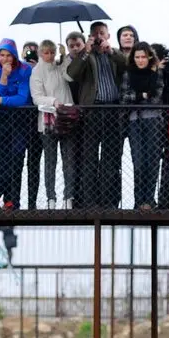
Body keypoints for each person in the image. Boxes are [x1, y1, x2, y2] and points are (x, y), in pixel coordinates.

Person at [66, 22, 127, 208]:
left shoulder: (113, 53)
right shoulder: (86, 55)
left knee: (111, 159)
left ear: (108, 35)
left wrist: (111, 51)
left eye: (102, 33)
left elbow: (127, 66)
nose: (99, 37)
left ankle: (108, 201)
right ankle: (89, 201)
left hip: (112, 111)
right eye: (95, 34)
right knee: (89, 158)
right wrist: (86, 50)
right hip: (92, 111)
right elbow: (71, 74)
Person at [0, 38, 32, 210]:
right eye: (2, 55)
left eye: (9, 55)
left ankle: (6, 197)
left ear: (15, 56)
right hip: (0, 119)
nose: (5, 59)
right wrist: (4, 77)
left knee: (17, 159)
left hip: (19, 119)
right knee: (2, 160)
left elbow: (22, 98)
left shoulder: (26, 69)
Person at [29, 39, 74, 210]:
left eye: (52, 52)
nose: (49, 56)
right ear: (41, 53)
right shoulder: (37, 72)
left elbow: (69, 76)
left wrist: (65, 58)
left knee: (68, 159)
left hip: (66, 118)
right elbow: (36, 97)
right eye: (46, 52)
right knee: (50, 161)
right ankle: (51, 198)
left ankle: (68, 196)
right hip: (48, 121)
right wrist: (53, 101)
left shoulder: (58, 66)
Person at [120, 42, 163, 210]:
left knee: (152, 161)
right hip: (134, 121)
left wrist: (137, 96)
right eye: (137, 57)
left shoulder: (156, 73)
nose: (140, 60)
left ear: (149, 57)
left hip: (153, 119)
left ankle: (149, 199)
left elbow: (156, 97)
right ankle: (139, 200)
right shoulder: (127, 74)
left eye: (143, 57)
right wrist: (142, 94)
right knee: (138, 161)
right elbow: (124, 97)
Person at [21, 42, 45, 209]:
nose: (30, 56)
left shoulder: (42, 70)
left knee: (34, 164)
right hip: (21, 120)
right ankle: (13, 200)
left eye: (34, 53)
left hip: (37, 120)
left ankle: (32, 202)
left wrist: (37, 68)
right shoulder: (19, 70)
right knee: (16, 162)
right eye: (27, 53)